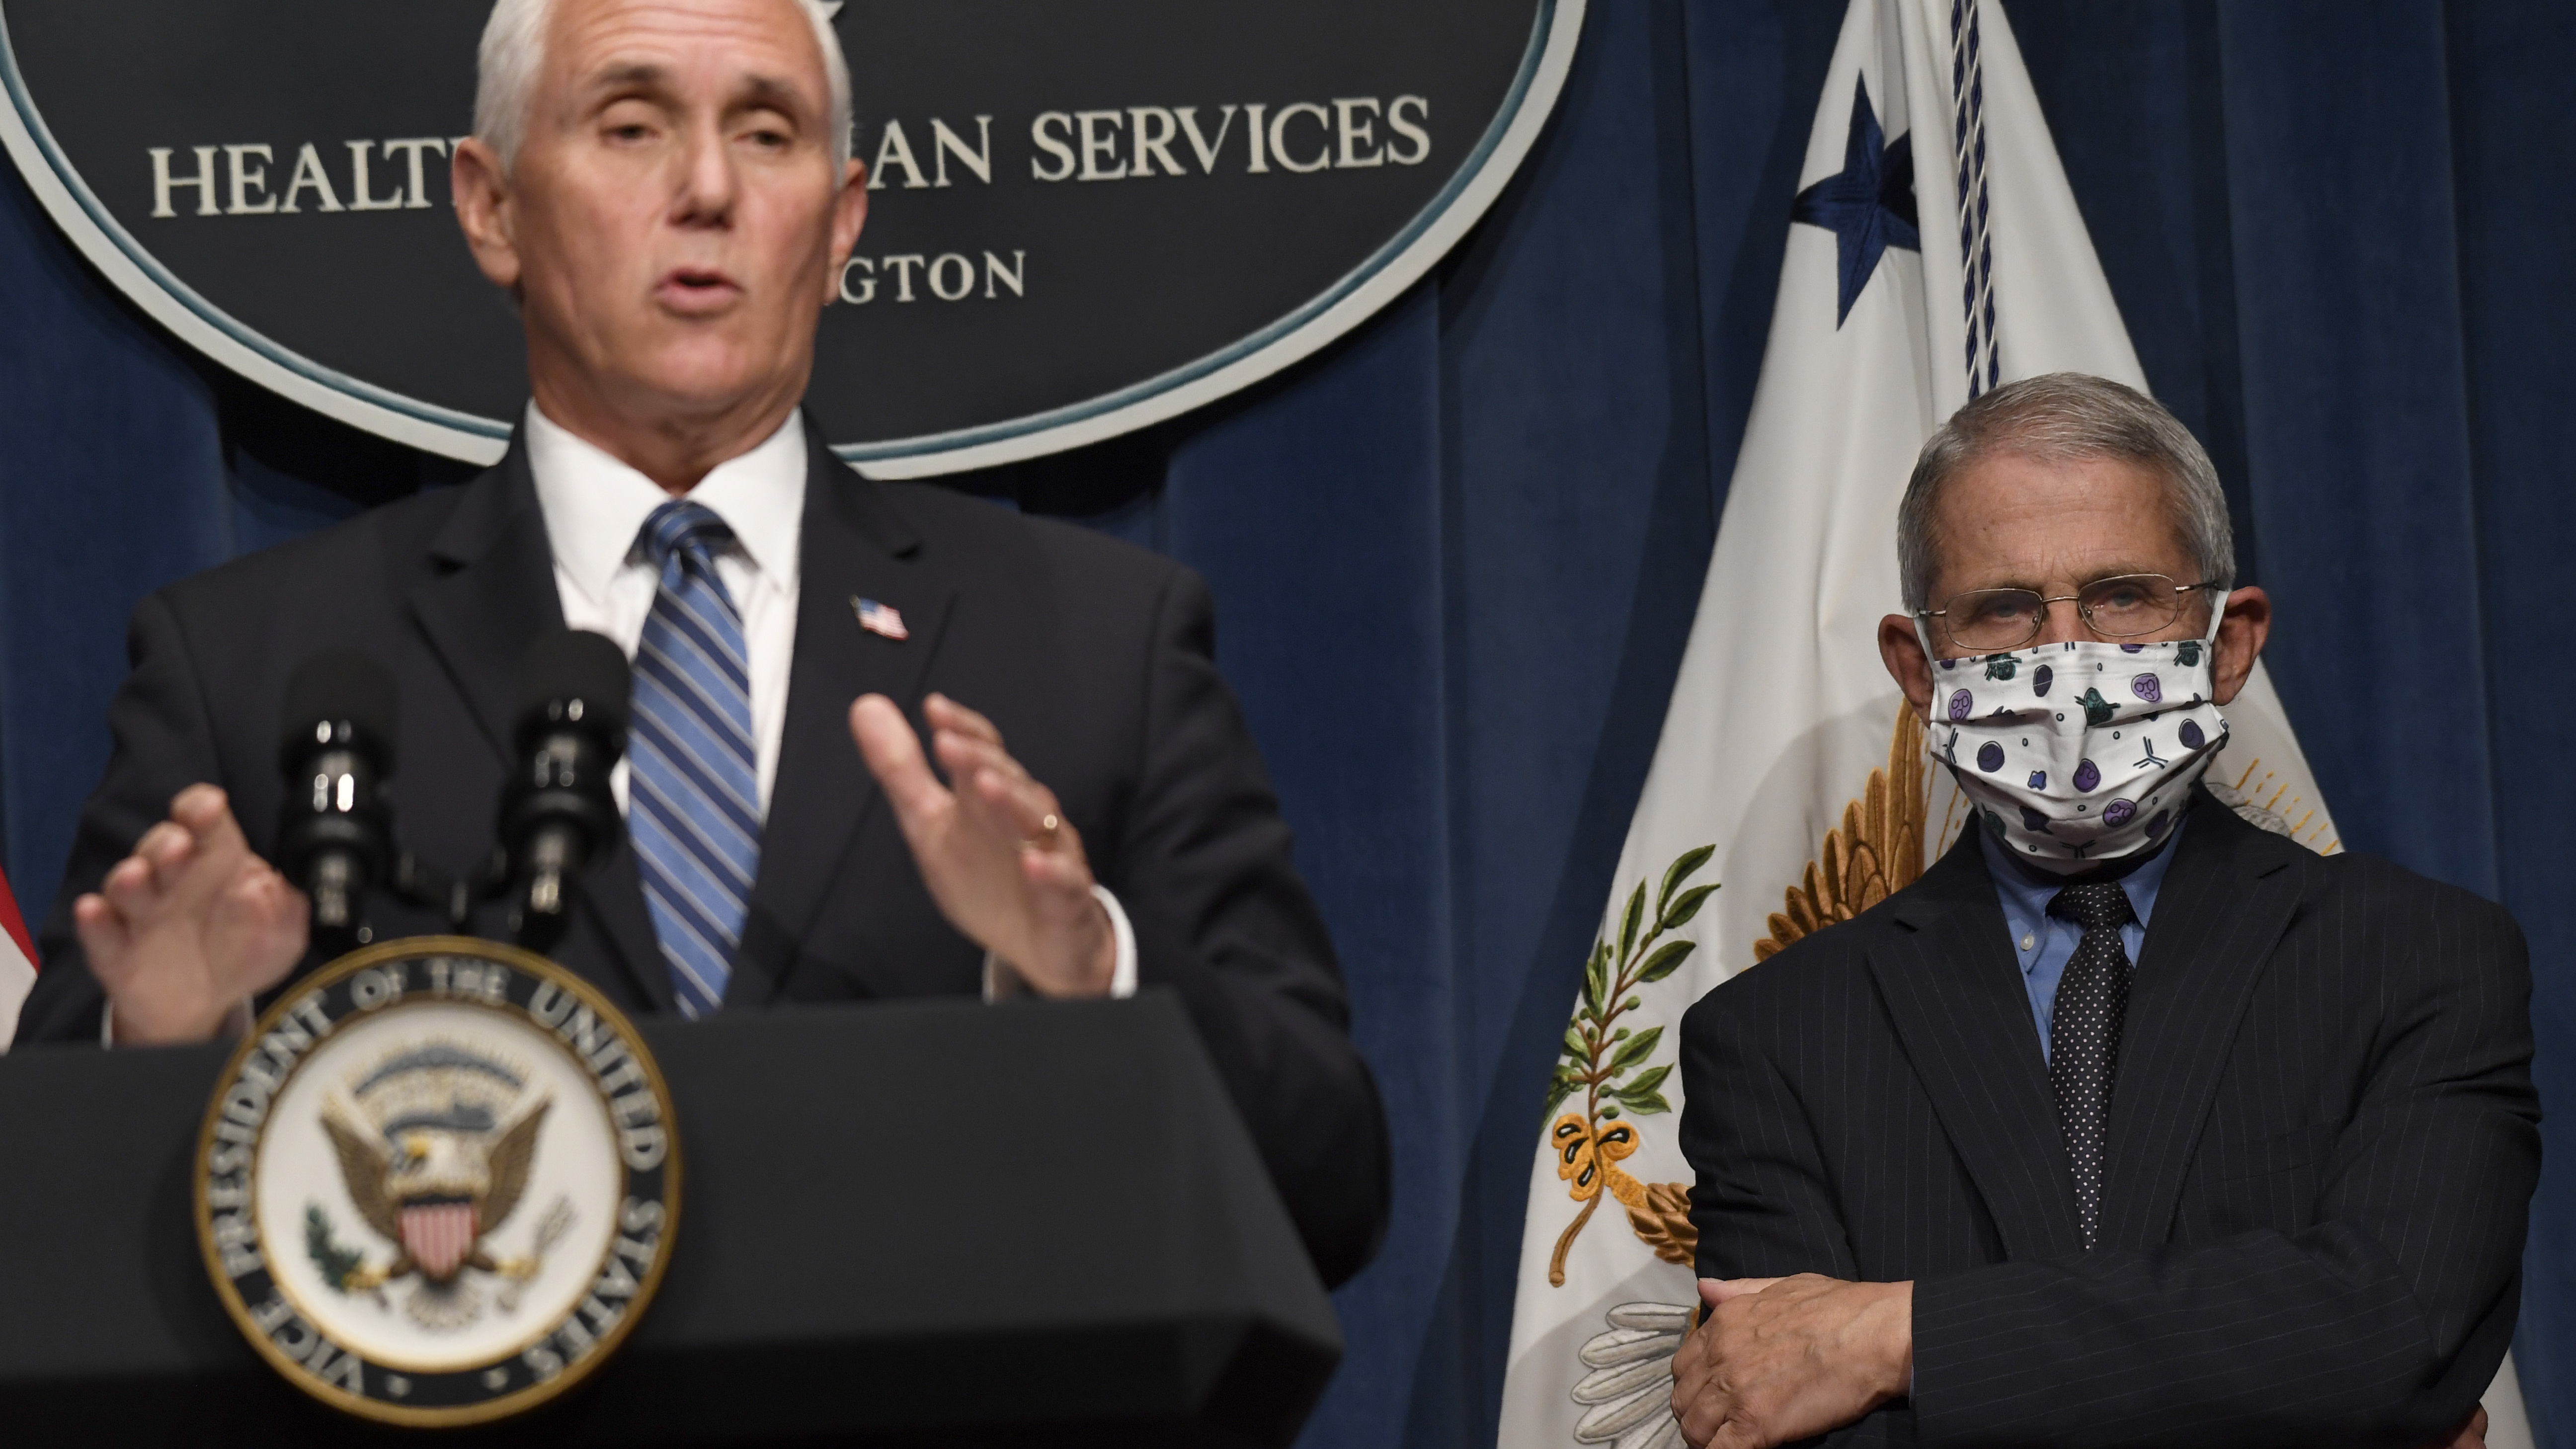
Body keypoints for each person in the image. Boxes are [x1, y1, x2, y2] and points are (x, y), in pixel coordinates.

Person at [9, 0, 1389, 1286]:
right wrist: (173, 1043)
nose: (711, 190)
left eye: (769, 132)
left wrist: (1094, 970)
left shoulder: (1096, 643)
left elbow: (1330, 1178)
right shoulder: (259, 665)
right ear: (490, 208)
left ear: (842, 224)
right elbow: (47, 1250)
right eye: (632, 123)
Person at [1667, 374, 2537, 1448]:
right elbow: (1782, 1410)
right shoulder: (1775, 1037)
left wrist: (1901, 1338)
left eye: (2123, 595)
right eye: (2004, 609)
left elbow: (2392, 1329)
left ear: (2228, 644)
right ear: (1920, 669)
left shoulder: (2419, 960)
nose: (2066, 659)